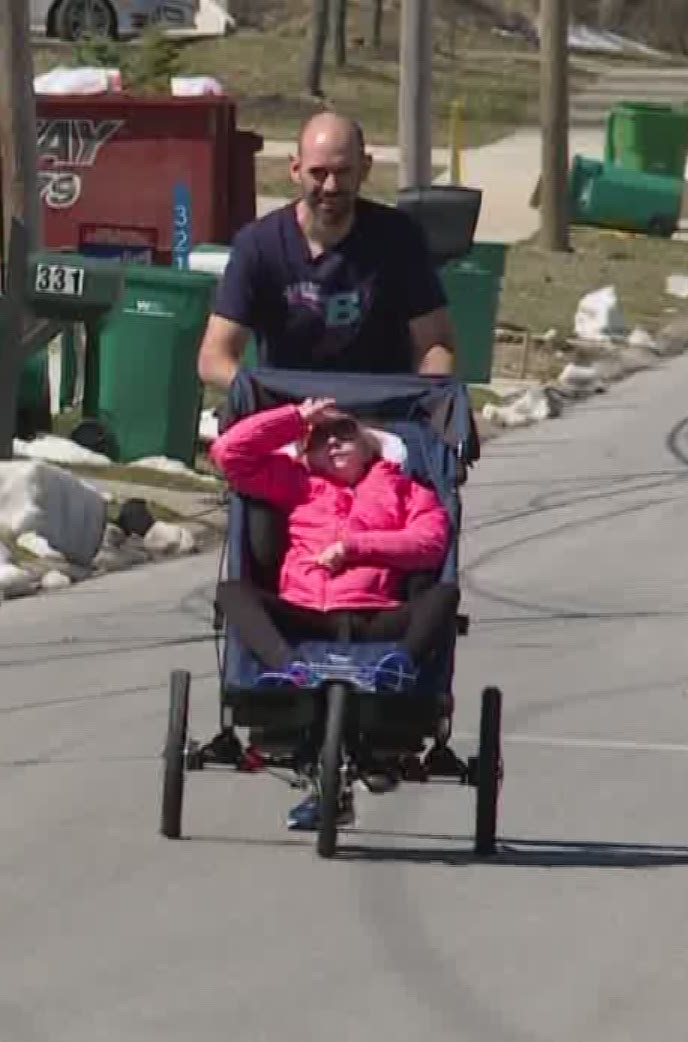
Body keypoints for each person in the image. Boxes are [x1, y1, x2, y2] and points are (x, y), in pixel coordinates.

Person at [208, 395, 462, 830]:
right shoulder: (296, 484)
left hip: (375, 616)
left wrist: (356, 548)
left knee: (444, 596)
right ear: (308, 452)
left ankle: (399, 668)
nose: (334, 444)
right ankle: (288, 669)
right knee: (232, 592)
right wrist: (296, 418)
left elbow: (431, 543)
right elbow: (229, 453)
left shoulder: (407, 489)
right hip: (304, 611)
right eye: (321, 439)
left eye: (344, 433)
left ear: (370, 444)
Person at [197, 111, 458, 391]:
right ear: (295, 169)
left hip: (378, 410)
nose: (331, 186)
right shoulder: (259, 244)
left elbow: (436, 344)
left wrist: (426, 398)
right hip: (288, 409)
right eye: (318, 173)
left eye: (343, 172)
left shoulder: (399, 238)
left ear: (365, 168)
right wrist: (261, 394)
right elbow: (213, 358)